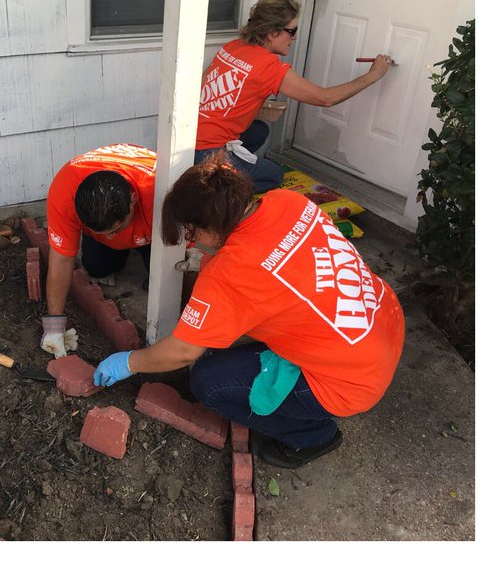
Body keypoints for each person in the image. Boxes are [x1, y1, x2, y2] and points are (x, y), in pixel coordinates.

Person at [92, 158, 405, 471]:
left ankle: (314, 435)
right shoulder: (286, 201)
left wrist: (130, 363)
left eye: (192, 231)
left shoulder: (231, 271)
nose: (192, 241)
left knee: (209, 384)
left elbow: (183, 351)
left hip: (348, 381)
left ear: (208, 226)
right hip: (380, 323)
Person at [196, 0, 394, 191]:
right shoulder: (269, 67)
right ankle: (214, 182)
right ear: (273, 32)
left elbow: (207, 88)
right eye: (292, 31)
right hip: (206, 151)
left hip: (189, 138)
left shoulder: (233, 46)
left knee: (259, 131)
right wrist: (373, 75)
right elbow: (326, 98)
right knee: (274, 175)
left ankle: (218, 170)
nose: (295, 37)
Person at [39, 145, 158, 357]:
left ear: (132, 200)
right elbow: (61, 260)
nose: (111, 237)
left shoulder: (160, 192)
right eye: (102, 232)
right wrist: (54, 327)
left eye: (117, 229)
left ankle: (143, 246)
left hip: (154, 227)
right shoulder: (64, 193)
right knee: (97, 266)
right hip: (123, 213)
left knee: (162, 279)